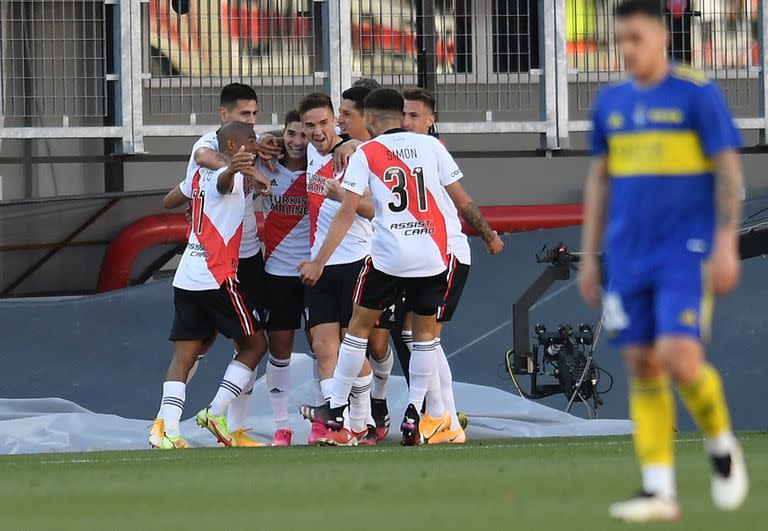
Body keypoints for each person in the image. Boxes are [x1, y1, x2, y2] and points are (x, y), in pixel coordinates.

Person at [578, 0, 748, 521]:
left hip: (685, 252)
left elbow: (728, 172)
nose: (627, 49)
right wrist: (589, 256)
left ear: (660, 38)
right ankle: (658, 490)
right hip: (629, 257)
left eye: (636, 38)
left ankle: (721, 444)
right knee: (642, 363)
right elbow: (600, 180)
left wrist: (725, 243)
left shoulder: (696, 93)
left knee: (680, 358)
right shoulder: (611, 103)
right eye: (620, 39)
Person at [298, 88, 500, 446]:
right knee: (424, 339)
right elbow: (463, 201)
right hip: (433, 257)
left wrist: (318, 260)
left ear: (371, 120)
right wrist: (488, 236)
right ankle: (414, 412)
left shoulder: (368, 151)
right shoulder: (433, 148)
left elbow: (347, 212)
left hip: (390, 258)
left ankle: (337, 407)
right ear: (401, 114)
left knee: (358, 330)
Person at [159, 83, 272, 448]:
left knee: (187, 353)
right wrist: (234, 172)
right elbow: (222, 182)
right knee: (255, 346)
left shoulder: (196, 175)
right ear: (230, 146)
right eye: (249, 143)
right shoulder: (229, 177)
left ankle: (167, 429)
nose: (254, 149)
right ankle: (217, 411)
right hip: (217, 277)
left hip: (186, 276)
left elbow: (169, 199)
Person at [399, 86, 503, 444]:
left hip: (448, 253)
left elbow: (462, 199)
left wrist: (488, 235)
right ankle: (446, 418)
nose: (407, 121)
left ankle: (441, 417)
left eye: (415, 115)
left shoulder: (434, 150)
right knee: (416, 335)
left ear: (431, 121)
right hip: (424, 254)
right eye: (404, 114)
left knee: (425, 337)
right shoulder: (400, 152)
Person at [298, 93, 377, 446]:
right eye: (310, 125)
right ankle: (336, 425)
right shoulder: (309, 153)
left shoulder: (356, 153)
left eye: (324, 123)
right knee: (323, 345)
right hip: (321, 264)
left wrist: (342, 197)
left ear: (336, 122)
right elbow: (281, 141)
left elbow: (375, 210)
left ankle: (362, 421)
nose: (317, 131)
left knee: (351, 347)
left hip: (356, 260)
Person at [334, 85, 397, 442]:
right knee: (351, 339)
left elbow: (374, 210)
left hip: (385, 257)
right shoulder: (336, 147)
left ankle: (381, 398)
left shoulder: (381, 153)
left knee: (378, 343)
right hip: (353, 263)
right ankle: (353, 417)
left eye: (347, 114)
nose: (340, 120)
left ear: (367, 118)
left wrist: (344, 196)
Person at [258, 111, 311, 446]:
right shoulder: (264, 163)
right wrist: (268, 138)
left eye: (303, 135)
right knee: (280, 352)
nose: (296, 141)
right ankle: (282, 426)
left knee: (326, 349)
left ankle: (335, 420)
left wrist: (273, 136)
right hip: (275, 272)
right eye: (291, 134)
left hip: (314, 271)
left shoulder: (323, 164)